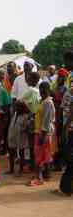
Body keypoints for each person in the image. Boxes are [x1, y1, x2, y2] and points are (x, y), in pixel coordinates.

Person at [7, 63, 40, 176]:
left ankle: (26, 166)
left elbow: (34, 102)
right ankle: (20, 166)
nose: (26, 68)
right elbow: (14, 98)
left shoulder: (35, 85)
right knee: (16, 140)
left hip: (28, 116)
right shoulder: (18, 80)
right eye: (25, 66)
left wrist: (21, 105)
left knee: (27, 143)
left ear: (32, 68)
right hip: (18, 114)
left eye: (28, 66)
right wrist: (15, 109)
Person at [27, 81, 55, 186]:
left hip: (43, 132)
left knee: (39, 154)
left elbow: (46, 120)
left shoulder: (48, 102)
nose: (42, 91)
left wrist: (42, 134)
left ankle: (39, 177)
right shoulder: (42, 101)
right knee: (44, 154)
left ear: (48, 90)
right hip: (40, 130)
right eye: (41, 89)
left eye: (44, 90)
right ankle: (45, 175)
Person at [55, 49, 73, 196]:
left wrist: (66, 127)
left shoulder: (72, 77)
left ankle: (67, 187)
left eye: (66, 61)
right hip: (69, 122)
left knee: (68, 155)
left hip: (71, 124)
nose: (65, 64)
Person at [52, 68, 69, 171]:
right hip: (56, 116)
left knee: (63, 140)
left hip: (63, 117)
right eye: (59, 76)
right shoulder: (55, 88)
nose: (60, 78)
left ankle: (62, 162)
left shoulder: (65, 90)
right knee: (56, 140)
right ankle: (56, 162)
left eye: (62, 76)